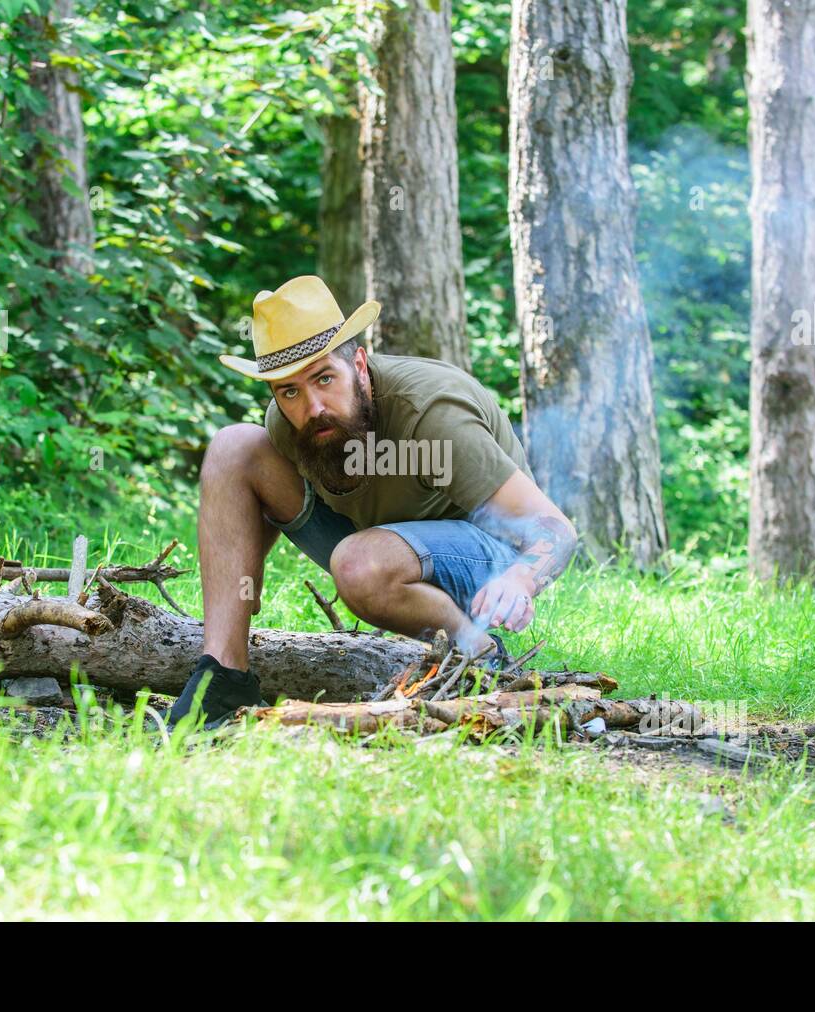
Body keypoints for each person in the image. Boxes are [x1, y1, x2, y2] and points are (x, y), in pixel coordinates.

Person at [167, 275, 577, 729]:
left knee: (360, 563)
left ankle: (479, 656)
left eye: (325, 378)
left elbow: (554, 528)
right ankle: (224, 678)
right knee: (233, 447)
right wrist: (246, 583)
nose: (314, 407)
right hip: (375, 547)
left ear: (359, 365)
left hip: (483, 559)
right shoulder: (290, 423)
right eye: (290, 391)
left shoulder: (432, 414)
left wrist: (520, 579)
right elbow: (260, 498)